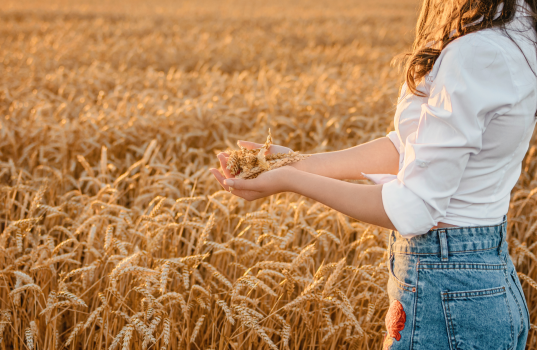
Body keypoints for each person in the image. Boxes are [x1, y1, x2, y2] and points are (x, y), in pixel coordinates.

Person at [210, 0, 537, 348]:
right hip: (477, 283)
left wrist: (289, 180)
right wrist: (294, 163)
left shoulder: (478, 48)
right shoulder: (512, 26)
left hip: (446, 295)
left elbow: (415, 209)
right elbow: (415, 148)